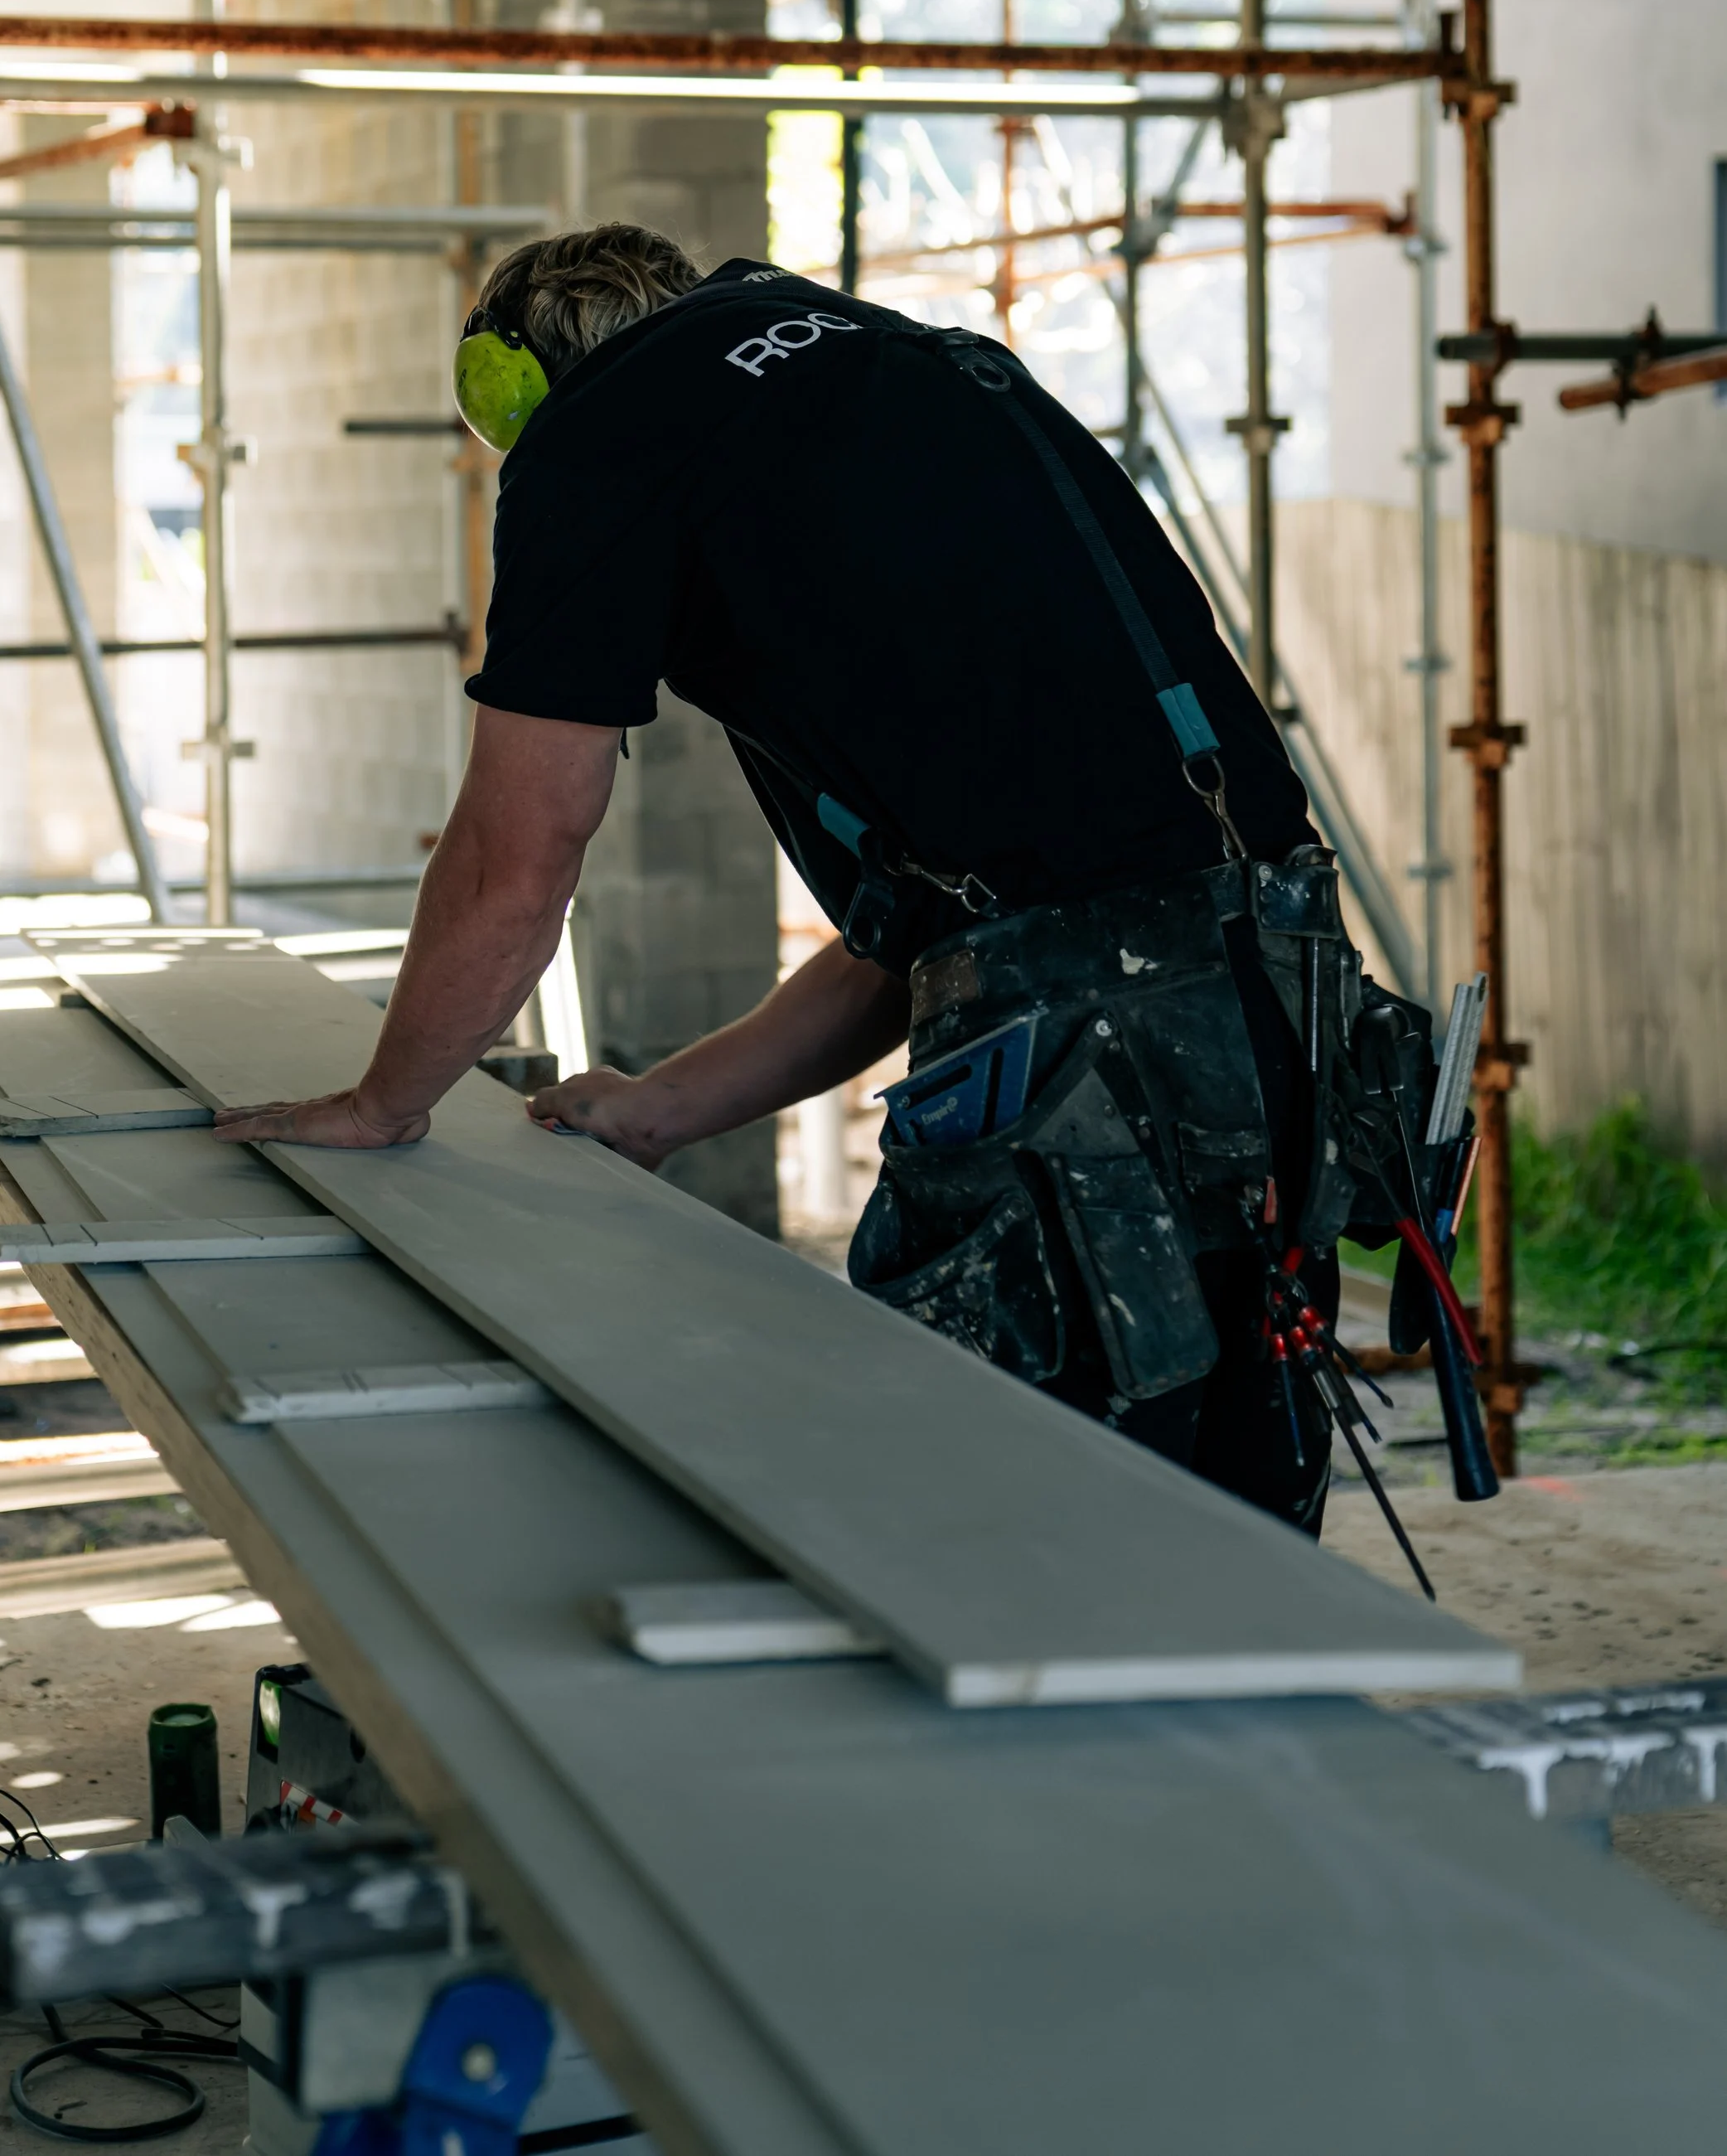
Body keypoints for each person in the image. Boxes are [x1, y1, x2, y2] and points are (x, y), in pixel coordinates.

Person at [217, 220, 1407, 1536]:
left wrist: (385, 1103)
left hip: (1098, 1060)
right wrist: (665, 1105)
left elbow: (517, 855)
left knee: (994, 1530)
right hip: (1286, 998)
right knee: (1228, 1516)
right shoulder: (918, 373)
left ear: (516, 387)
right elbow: (947, 936)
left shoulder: (598, 439)